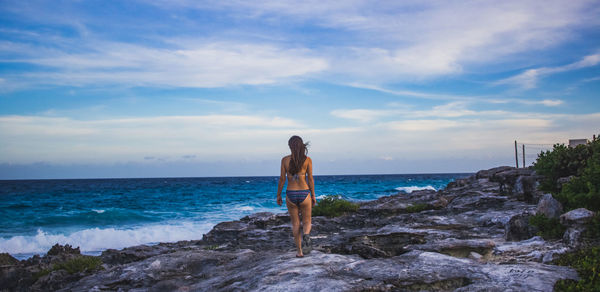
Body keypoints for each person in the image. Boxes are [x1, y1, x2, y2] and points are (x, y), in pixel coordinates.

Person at [277, 135, 316, 258]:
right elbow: (310, 179)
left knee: (295, 224)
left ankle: (299, 252)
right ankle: (306, 234)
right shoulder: (307, 160)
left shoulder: (284, 160)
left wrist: (278, 195)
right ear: (301, 145)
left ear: (289, 146)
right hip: (304, 192)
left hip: (291, 193)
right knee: (307, 221)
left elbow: (282, 179)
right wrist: (313, 195)